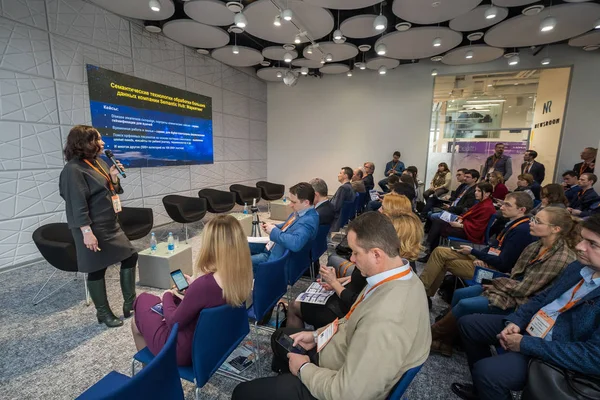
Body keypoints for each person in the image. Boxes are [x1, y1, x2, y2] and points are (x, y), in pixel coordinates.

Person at [231, 212, 430, 400]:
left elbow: (348, 393)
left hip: (335, 386)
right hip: (338, 356)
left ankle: (291, 380)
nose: (351, 259)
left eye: (355, 252)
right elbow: (350, 319)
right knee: (280, 337)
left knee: (242, 393)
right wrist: (316, 336)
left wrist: (304, 369)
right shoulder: (399, 278)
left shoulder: (387, 318)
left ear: (377, 254)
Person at [451, 214, 600, 400]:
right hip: (534, 327)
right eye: (582, 239)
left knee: (487, 372)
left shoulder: (569, 260)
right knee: (469, 324)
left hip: (556, 350)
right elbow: (544, 298)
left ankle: (488, 383)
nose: (579, 246)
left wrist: (525, 344)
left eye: (592, 244)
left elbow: (594, 357)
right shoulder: (578, 267)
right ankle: (485, 390)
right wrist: (517, 320)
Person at [430, 207, 578, 357]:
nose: (531, 223)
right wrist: (499, 283)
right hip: (511, 288)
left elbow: (525, 290)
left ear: (556, 229)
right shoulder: (536, 245)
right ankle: (447, 340)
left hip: (523, 302)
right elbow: (516, 276)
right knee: (461, 293)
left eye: (537, 221)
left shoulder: (561, 258)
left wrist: (497, 283)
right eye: (533, 219)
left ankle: (434, 333)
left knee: (465, 304)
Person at [286, 194, 422, 330]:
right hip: (345, 297)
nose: (379, 210)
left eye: (383, 208)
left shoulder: (385, 272)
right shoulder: (397, 265)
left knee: (294, 305)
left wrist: (335, 283)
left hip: (344, 310)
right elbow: (361, 280)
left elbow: (359, 302)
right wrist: (338, 282)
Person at [131, 215, 253, 366]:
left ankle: (151, 375)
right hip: (213, 343)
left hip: (183, 350)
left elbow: (174, 322)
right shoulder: (242, 277)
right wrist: (193, 288)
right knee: (141, 320)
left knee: (143, 300)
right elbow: (211, 299)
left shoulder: (204, 285)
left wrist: (167, 296)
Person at [59, 125, 137, 328]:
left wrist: (113, 176)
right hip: (91, 227)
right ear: (85, 143)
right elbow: (76, 203)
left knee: (130, 256)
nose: (103, 143)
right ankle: (103, 312)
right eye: (98, 139)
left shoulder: (99, 162)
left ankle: (130, 303)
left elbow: (111, 190)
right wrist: (86, 232)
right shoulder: (73, 169)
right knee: (97, 268)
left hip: (110, 224)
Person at [419, 192, 535, 302]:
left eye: (507, 205)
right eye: (503, 203)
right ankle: (423, 292)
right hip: (486, 259)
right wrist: (480, 256)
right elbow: (493, 246)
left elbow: (504, 264)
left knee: (443, 261)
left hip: (495, 271)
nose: (502, 207)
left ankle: (421, 293)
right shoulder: (512, 224)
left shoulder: (521, 231)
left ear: (522, 210)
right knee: (439, 251)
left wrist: (475, 253)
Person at [250, 183, 319, 272]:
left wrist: (273, 230)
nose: (290, 205)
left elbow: (295, 244)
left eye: (294, 202)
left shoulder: (309, 220)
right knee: (242, 245)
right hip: (273, 246)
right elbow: (288, 226)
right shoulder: (300, 212)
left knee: (238, 261)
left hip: (275, 257)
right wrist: (274, 226)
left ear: (306, 203)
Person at [422, 183, 496, 259]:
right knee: (439, 220)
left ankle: (429, 250)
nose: (476, 193)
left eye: (479, 191)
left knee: (439, 224)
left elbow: (478, 226)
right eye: (476, 190)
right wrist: (460, 220)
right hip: (466, 226)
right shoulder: (483, 203)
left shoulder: (487, 207)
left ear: (487, 193)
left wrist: (460, 225)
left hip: (471, 232)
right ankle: (430, 250)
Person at [330, 167, 355, 232]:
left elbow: (335, 207)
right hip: (343, 217)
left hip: (336, 218)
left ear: (345, 176)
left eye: (340, 173)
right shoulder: (350, 187)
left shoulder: (343, 188)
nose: (338, 175)